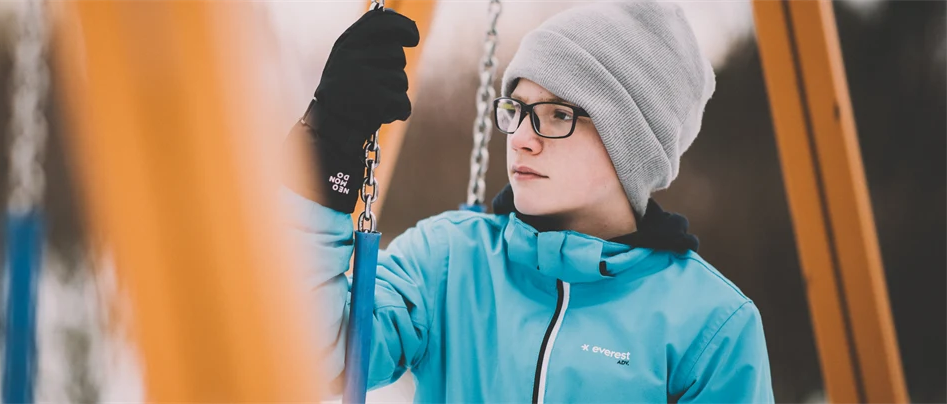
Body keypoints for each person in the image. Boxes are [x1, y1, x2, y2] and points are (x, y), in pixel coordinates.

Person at [281, 1, 775, 402]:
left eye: (556, 114)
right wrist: (327, 150)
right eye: (516, 109)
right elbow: (304, 353)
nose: (520, 137)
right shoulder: (450, 263)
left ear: (631, 142)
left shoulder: (711, 329)